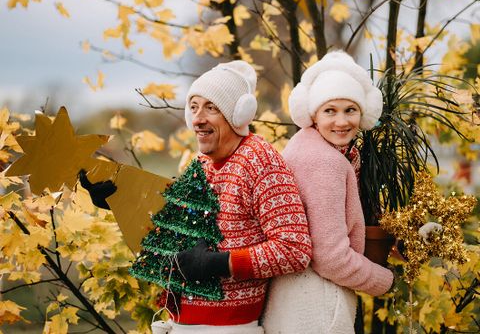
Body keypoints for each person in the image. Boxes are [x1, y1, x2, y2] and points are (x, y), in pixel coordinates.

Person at [81, 60, 312, 334]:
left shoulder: (260, 161)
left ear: (238, 115)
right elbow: (173, 224)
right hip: (180, 321)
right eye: (194, 107)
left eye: (211, 108)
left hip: (228, 328)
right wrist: (117, 201)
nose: (198, 119)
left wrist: (217, 263)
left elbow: (294, 249)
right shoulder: (202, 162)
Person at [262, 51, 394, 334]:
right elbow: (331, 258)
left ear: (363, 112)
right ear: (313, 114)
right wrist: (384, 279)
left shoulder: (304, 145)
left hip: (292, 298)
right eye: (330, 111)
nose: (342, 122)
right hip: (317, 307)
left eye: (350, 110)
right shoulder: (325, 162)